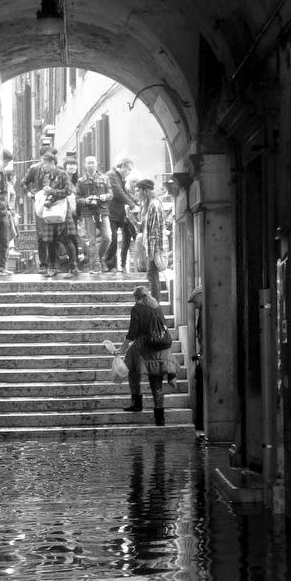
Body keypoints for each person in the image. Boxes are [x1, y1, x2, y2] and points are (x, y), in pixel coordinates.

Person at [116, 285, 178, 426]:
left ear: (137, 297)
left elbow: (133, 332)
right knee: (156, 383)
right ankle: (159, 417)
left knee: (132, 371)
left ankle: (137, 402)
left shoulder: (137, 309)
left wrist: (122, 348)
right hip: (161, 349)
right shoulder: (156, 306)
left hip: (144, 346)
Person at [35, 151, 77, 277]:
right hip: (50, 211)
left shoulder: (63, 174)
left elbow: (68, 191)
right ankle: (52, 267)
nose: (43, 166)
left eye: (45, 164)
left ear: (52, 163)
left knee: (66, 239)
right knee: (50, 241)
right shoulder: (47, 177)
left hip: (62, 210)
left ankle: (73, 267)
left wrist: (51, 191)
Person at [75, 155, 113, 272]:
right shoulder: (81, 181)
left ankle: (100, 258)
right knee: (92, 240)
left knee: (107, 237)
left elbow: (110, 193)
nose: (91, 165)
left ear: (97, 164)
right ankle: (95, 264)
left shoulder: (104, 178)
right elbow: (77, 198)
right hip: (88, 212)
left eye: (93, 163)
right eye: (88, 163)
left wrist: (104, 196)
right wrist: (86, 200)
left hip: (102, 211)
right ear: (84, 165)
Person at [21, 144, 52, 274]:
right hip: (40, 202)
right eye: (45, 158)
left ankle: (53, 262)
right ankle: (43, 263)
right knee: (41, 233)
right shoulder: (34, 168)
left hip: (55, 202)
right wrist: (29, 194)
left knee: (55, 233)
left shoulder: (57, 169)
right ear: (41, 158)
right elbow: (24, 182)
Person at [104, 156, 137, 273]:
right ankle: (109, 264)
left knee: (127, 239)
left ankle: (122, 265)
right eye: (128, 169)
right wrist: (133, 205)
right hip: (112, 212)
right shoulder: (111, 175)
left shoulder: (119, 177)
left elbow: (125, 192)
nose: (129, 173)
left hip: (121, 214)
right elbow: (118, 192)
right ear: (122, 166)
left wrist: (136, 201)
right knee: (112, 238)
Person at [134, 178, 166, 301]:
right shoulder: (149, 205)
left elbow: (154, 230)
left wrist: (151, 253)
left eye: (138, 191)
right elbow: (145, 228)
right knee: (152, 276)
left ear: (144, 191)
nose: (136, 194)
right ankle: (155, 305)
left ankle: (155, 306)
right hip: (151, 246)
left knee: (152, 275)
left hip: (154, 247)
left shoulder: (154, 204)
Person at [187, 285, 204, 431]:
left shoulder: (206, 314)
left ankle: (201, 423)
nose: (195, 306)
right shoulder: (203, 313)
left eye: (196, 302)